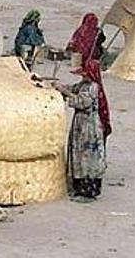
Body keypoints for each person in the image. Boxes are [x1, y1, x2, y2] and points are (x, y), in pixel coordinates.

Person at [54, 59, 111, 202]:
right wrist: (59, 87)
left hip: (89, 126)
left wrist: (64, 91)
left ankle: (88, 192)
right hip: (80, 124)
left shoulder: (93, 87)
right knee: (79, 155)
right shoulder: (83, 85)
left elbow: (82, 102)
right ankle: (79, 188)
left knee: (88, 157)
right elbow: (72, 88)